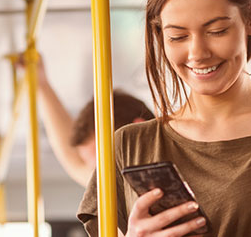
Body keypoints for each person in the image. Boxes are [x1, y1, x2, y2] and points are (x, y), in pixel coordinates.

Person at [77, 0, 251, 237]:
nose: (197, 53)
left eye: (216, 31)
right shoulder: (129, 146)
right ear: (160, 36)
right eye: (178, 37)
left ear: (250, 18)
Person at [17, 55, 154, 187]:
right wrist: (42, 85)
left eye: (105, 163)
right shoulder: (116, 185)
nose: (101, 176)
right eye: (96, 169)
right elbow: (74, 160)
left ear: (137, 133)